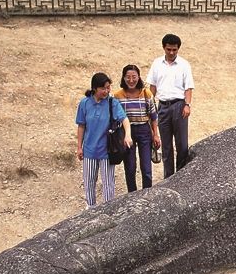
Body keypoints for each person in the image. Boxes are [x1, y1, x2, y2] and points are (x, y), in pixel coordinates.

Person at [75, 72, 132, 208]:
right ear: (95, 88)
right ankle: (90, 207)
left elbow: (124, 119)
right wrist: (79, 147)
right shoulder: (84, 103)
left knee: (108, 183)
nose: (106, 91)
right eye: (103, 88)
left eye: (108, 87)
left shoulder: (112, 103)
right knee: (89, 182)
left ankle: (108, 209)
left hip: (107, 150)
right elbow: (81, 126)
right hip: (89, 150)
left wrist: (127, 135)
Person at [146, 33, 194, 178]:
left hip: (179, 106)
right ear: (163, 48)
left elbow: (189, 87)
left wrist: (187, 104)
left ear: (178, 49)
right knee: (166, 145)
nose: (171, 52)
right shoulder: (156, 64)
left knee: (182, 145)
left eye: (174, 50)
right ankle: (169, 177)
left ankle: (181, 176)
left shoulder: (184, 65)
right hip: (162, 107)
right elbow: (152, 87)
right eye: (169, 49)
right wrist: (149, 106)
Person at [114, 64, 161, 191]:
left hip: (144, 130)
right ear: (123, 78)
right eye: (127, 77)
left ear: (139, 77)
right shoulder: (117, 96)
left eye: (134, 77)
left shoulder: (146, 93)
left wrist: (155, 134)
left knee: (146, 167)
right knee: (130, 167)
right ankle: (132, 196)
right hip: (127, 133)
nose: (131, 80)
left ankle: (147, 194)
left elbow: (153, 116)